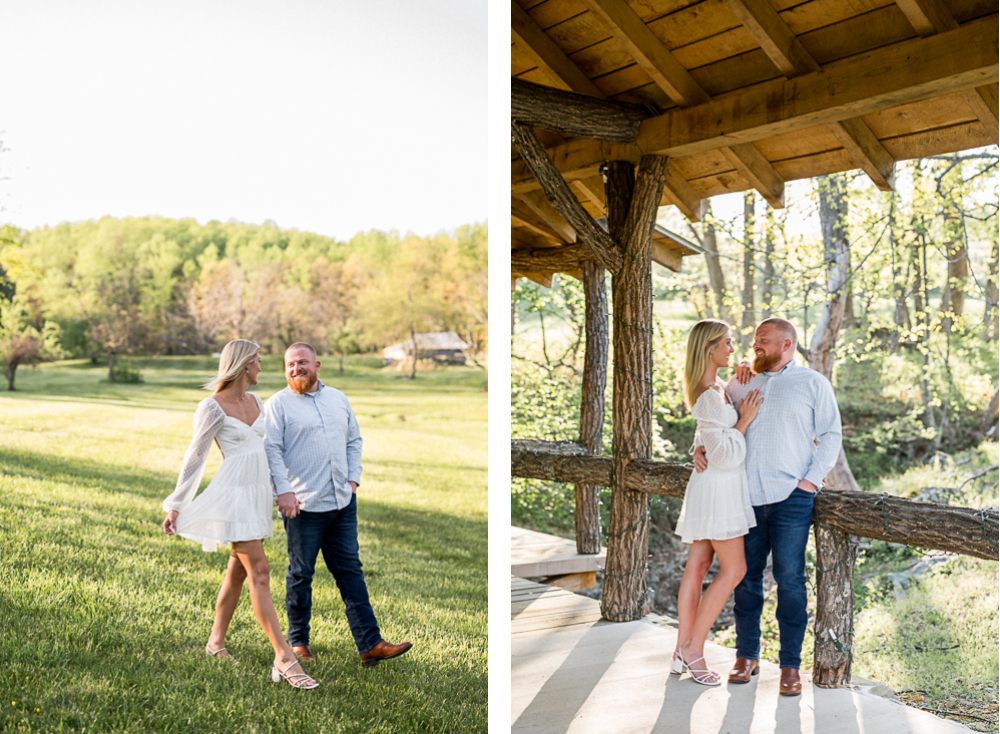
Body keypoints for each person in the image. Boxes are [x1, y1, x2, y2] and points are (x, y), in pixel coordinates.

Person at [694, 317, 842, 696]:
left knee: (790, 580)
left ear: (787, 344)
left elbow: (830, 434)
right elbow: (713, 422)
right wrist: (697, 447)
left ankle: (790, 666)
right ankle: (747, 655)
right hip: (744, 496)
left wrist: (810, 480)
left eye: (763, 341)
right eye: (755, 340)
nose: (754, 345)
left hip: (792, 497)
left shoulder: (812, 383)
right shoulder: (741, 381)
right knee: (746, 578)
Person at [162, 339, 318, 690]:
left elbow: (268, 451)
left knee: (238, 572)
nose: (262, 367)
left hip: (258, 494)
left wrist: (281, 491)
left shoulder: (257, 401)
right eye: (259, 361)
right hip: (234, 495)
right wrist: (176, 504)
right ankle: (284, 658)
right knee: (259, 573)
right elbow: (195, 457)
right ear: (245, 365)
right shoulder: (211, 407)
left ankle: (215, 643)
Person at [263, 342, 413, 668]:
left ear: (317, 364)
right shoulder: (277, 405)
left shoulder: (338, 399)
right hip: (303, 506)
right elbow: (271, 451)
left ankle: (370, 644)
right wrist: (283, 493)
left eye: (301, 362)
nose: (295, 368)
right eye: (289, 364)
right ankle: (299, 641)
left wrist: (353, 480)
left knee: (350, 572)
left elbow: (353, 440)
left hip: (342, 503)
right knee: (301, 574)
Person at [672, 319, 762, 686]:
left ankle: (682, 648)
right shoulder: (709, 393)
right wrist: (744, 421)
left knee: (699, 565)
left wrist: (698, 446)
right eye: (726, 342)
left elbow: (707, 435)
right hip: (719, 487)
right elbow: (725, 454)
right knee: (734, 570)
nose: (731, 347)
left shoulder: (718, 387)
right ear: (709, 348)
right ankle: (694, 649)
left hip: (717, 485)